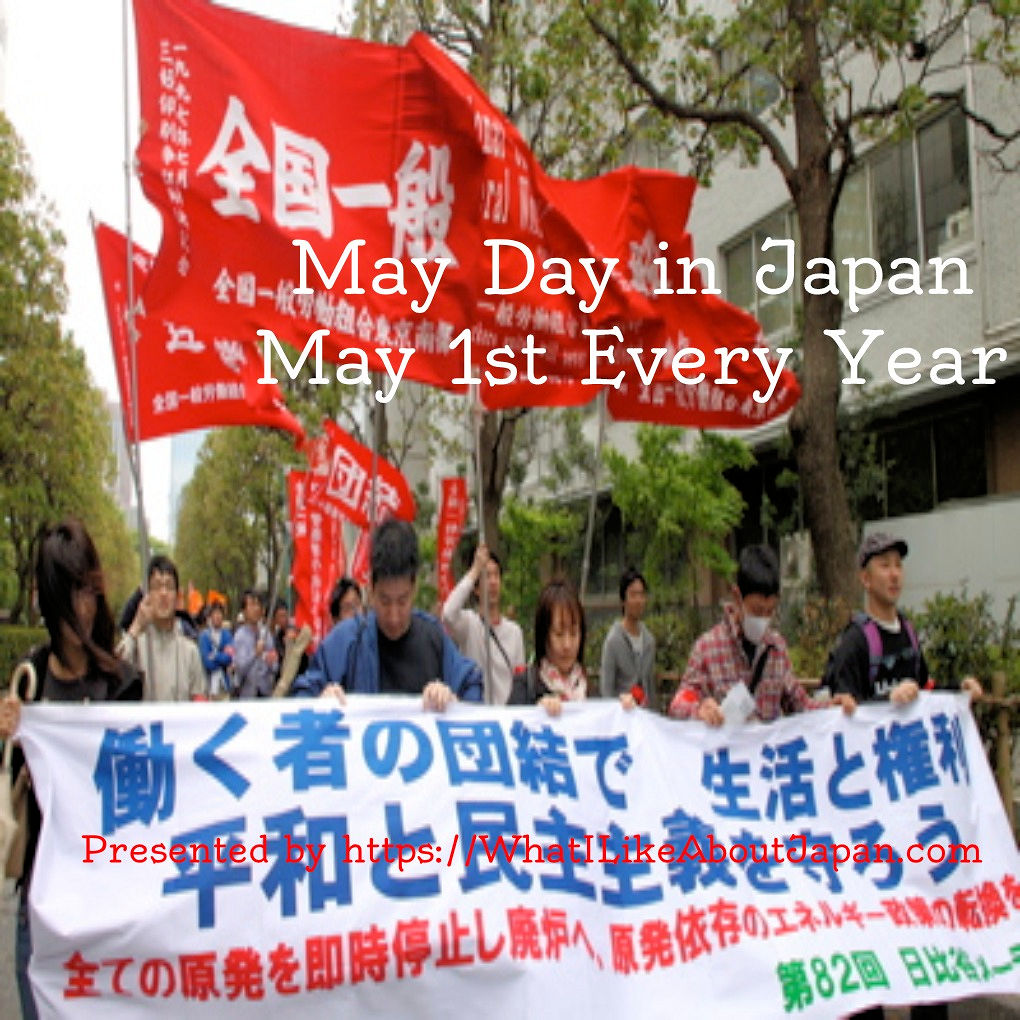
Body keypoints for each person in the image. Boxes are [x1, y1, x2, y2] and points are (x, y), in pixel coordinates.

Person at [0, 519, 143, 1020]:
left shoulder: (123, 684)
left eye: (88, 592)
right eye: (69, 596)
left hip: (108, 903)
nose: (80, 610)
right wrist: (13, 737)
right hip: (41, 907)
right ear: (46, 601)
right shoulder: (29, 681)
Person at [292, 519, 482, 708]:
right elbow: (302, 694)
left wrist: (453, 701)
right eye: (384, 601)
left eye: (402, 601)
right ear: (371, 588)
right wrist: (320, 700)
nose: (394, 616)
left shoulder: (434, 638)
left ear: (414, 587)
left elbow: (472, 687)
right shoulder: (345, 642)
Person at [826, 532, 982, 714]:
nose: (894, 575)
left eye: (898, 565)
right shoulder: (854, 641)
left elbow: (925, 689)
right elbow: (843, 713)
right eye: (885, 566)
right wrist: (889, 700)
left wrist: (960, 691)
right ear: (865, 579)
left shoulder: (908, 632)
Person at [669, 544, 825, 724]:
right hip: (728, 749)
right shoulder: (708, 648)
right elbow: (679, 702)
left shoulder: (777, 648)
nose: (764, 619)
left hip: (765, 750)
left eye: (770, 611)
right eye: (757, 611)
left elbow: (800, 704)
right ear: (737, 596)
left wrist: (833, 709)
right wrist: (698, 709)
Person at [509, 579, 635, 715]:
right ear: (544, 635)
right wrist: (535, 713)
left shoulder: (592, 694)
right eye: (559, 634)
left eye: (574, 634)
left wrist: (622, 710)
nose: (567, 645)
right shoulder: (525, 687)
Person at [442, 542, 526, 705]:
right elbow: (448, 613)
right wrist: (474, 570)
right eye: (486, 576)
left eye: (496, 575)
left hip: (505, 719)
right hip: (476, 714)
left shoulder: (515, 632)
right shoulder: (469, 624)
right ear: (476, 588)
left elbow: (520, 681)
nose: (493, 582)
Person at [118, 554, 207, 702]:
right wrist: (135, 628)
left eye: (169, 587)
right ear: (147, 595)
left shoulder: (190, 651)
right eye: (157, 586)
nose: (163, 593)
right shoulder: (137, 647)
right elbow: (112, 677)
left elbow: (199, 702)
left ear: (177, 596)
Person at [600, 567, 657, 709]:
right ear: (623, 600)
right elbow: (606, 689)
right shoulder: (613, 641)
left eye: (642, 595)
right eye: (633, 595)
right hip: (622, 716)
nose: (638, 600)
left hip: (644, 718)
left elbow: (650, 685)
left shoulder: (649, 641)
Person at [232, 589, 278, 698]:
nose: (256, 609)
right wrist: (255, 653)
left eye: (258, 605)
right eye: (252, 605)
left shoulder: (266, 634)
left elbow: (275, 667)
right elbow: (240, 668)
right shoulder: (240, 636)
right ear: (244, 610)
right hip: (247, 694)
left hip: (265, 692)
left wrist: (272, 662)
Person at [198, 599, 234, 699]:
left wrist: (215, 656)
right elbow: (207, 662)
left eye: (220, 614)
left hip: (225, 684)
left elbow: (229, 657)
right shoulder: (204, 636)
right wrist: (221, 658)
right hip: (209, 685)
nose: (218, 617)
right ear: (210, 616)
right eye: (215, 614)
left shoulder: (227, 635)